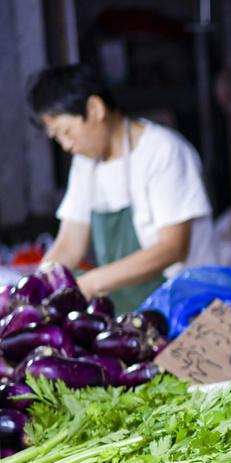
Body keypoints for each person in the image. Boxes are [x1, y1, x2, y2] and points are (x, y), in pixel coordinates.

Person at [27, 64, 213, 312]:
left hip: (186, 305)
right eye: (57, 137)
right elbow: (70, 243)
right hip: (130, 311)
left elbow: (174, 247)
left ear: (95, 108)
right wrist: (36, 286)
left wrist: (92, 282)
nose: (66, 145)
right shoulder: (85, 164)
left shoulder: (163, 151)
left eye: (66, 132)